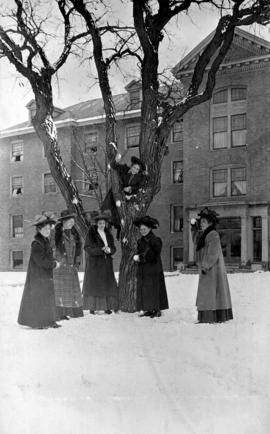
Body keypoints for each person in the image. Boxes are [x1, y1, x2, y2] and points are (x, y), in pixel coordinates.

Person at [18, 214, 61, 329]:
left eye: (49, 229)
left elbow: (48, 257)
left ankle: (50, 321)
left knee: (47, 297)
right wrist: (54, 264)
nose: (48, 231)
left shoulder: (45, 241)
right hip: (38, 276)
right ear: (39, 229)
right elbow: (41, 261)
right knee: (39, 298)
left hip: (45, 275)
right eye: (45, 229)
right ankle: (38, 323)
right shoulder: (37, 244)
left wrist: (54, 261)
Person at [191, 207, 233, 323]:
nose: (201, 224)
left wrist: (205, 265)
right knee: (208, 292)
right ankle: (209, 317)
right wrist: (193, 228)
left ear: (210, 223)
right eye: (201, 222)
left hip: (212, 269)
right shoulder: (204, 234)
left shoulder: (213, 234)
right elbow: (196, 241)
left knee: (209, 292)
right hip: (208, 269)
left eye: (204, 222)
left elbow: (213, 252)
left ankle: (210, 317)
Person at [101, 143, 148, 238]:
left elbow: (140, 186)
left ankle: (120, 229)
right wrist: (117, 159)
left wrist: (131, 188)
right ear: (131, 166)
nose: (135, 170)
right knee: (111, 208)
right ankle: (110, 225)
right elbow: (114, 166)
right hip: (118, 191)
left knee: (122, 213)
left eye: (137, 169)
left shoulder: (140, 178)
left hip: (128, 195)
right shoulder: (124, 169)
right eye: (134, 167)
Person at [82, 212, 118, 314]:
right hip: (95, 264)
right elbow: (87, 248)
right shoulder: (92, 234)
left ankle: (107, 307)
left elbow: (113, 247)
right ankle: (92, 308)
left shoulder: (108, 234)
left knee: (106, 284)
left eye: (103, 223)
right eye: (100, 223)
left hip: (106, 264)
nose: (102, 225)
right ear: (97, 224)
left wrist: (110, 250)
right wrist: (101, 250)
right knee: (95, 285)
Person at [133, 215, 169, 318]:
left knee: (153, 289)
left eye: (144, 229)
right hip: (144, 270)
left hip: (153, 269)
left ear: (149, 229)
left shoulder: (155, 240)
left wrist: (140, 257)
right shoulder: (140, 241)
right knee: (145, 289)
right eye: (141, 229)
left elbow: (153, 254)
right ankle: (148, 309)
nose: (142, 231)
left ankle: (156, 309)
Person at [53, 210, 83, 320]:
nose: (72, 223)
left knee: (70, 291)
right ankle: (60, 314)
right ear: (63, 222)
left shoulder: (74, 234)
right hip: (60, 268)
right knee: (60, 292)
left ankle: (68, 312)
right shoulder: (56, 234)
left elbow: (78, 250)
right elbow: (53, 249)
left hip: (71, 267)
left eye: (73, 221)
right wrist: (60, 261)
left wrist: (77, 263)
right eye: (70, 221)